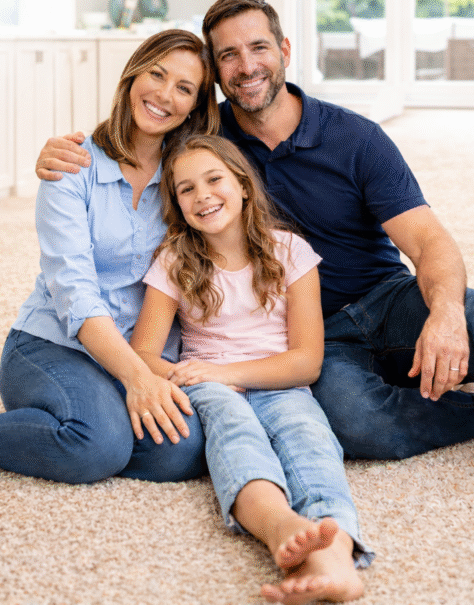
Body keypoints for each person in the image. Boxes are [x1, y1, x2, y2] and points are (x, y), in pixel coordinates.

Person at [35, 0, 474, 482]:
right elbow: (144, 123)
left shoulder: (355, 137)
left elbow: (429, 241)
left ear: (285, 49)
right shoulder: (205, 141)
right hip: (311, 332)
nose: (246, 66)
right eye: (228, 55)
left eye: (258, 48)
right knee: (353, 423)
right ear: (217, 73)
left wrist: (446, 315)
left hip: (385, 299)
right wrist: (64, 153)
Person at [0, 30, 220, 484]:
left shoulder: (190, 178)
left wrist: (147, 372)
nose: (164, 95)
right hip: (55, 344)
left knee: (182, 453)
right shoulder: (71, 165)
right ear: (132, 75)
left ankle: (85, 426)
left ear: (196, 106)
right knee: (96, 447)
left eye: (184, 88)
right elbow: (74, 291)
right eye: (157, 74)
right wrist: (137, 380)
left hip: (140, 350)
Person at [130, 134, 373, 604]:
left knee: (310, 438)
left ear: (243, 186)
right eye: (186, 189)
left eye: (214, 179)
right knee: (234, 430)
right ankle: (279, 526)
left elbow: (306, 361)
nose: (202, 195)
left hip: (275, 380)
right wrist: (186, 375)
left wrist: (226, 373)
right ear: (177, 205)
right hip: (209, 384)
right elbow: (142, 353)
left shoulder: (291, 252)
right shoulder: (175, 261)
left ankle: (336, 561)